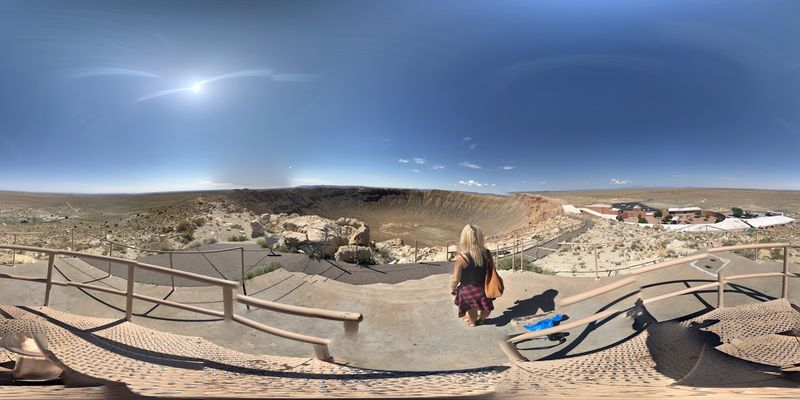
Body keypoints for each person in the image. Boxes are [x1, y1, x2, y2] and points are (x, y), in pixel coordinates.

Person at [450, 224, 494, 327]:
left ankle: (473, 322)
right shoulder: (487, 253)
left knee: (471, 309)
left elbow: (455, 278)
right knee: (486, 308)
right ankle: (482, 319)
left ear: (464, 239)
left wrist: (453, 288)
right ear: (480, 238)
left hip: (467, 290)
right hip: (484, 288)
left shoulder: (461, 258)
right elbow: (492, 269)